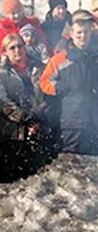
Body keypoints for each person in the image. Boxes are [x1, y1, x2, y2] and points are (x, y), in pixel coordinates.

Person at [38, 13, 98, 157]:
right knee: (71, 159)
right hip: (72, 119)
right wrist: (63, 86)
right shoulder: (59, 59)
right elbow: (44, 83)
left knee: (96, 161)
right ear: (71, 34)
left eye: (86, 32)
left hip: (97, 117)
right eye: (79, 32)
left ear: (91, 33)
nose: (83, 36)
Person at [0, 33, 52, 181]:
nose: (17, 50)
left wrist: (38, 117)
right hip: (11, 128)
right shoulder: (2, 73)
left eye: (20, 46)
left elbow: (49, 94)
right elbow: (3, 101)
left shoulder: (40, 68)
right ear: (5, 52)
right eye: (12, 48)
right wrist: (26, 119)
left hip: (40, 123)